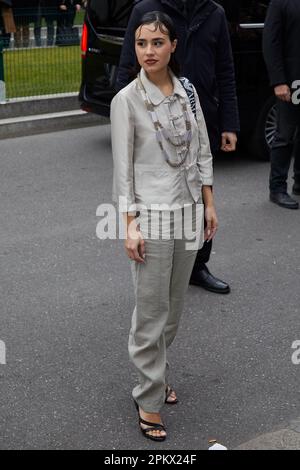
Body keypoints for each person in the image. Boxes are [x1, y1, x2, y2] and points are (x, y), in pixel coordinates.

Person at [111, 10, 216, 441]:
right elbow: (122, 170)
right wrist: (129, 224)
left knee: (172, 310)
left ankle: (154, 375)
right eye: (141, 43)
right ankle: (148, 397)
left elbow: (202, 147)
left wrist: (209, 203)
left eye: (157, 42)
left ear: (173, 46)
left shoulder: (187, 92)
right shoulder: (126, 100)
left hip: (190, 210)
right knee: (151, 313)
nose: (148, 51)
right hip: (151, 215)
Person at [116, 0, 240, 294]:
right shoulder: (146, 8)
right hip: (154, 124)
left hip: (200, 115)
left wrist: (229, 124)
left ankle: (197, 265)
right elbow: (126, 68)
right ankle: (159, 258)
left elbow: (225, 70)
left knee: (199, 192)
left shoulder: (214, 12)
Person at [263, 0, 300, 210]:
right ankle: (277, 188)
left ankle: (299, 183)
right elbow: (271, 42)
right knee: (285, 134)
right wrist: (278, 81)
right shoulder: (280, 3)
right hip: (290, 80)